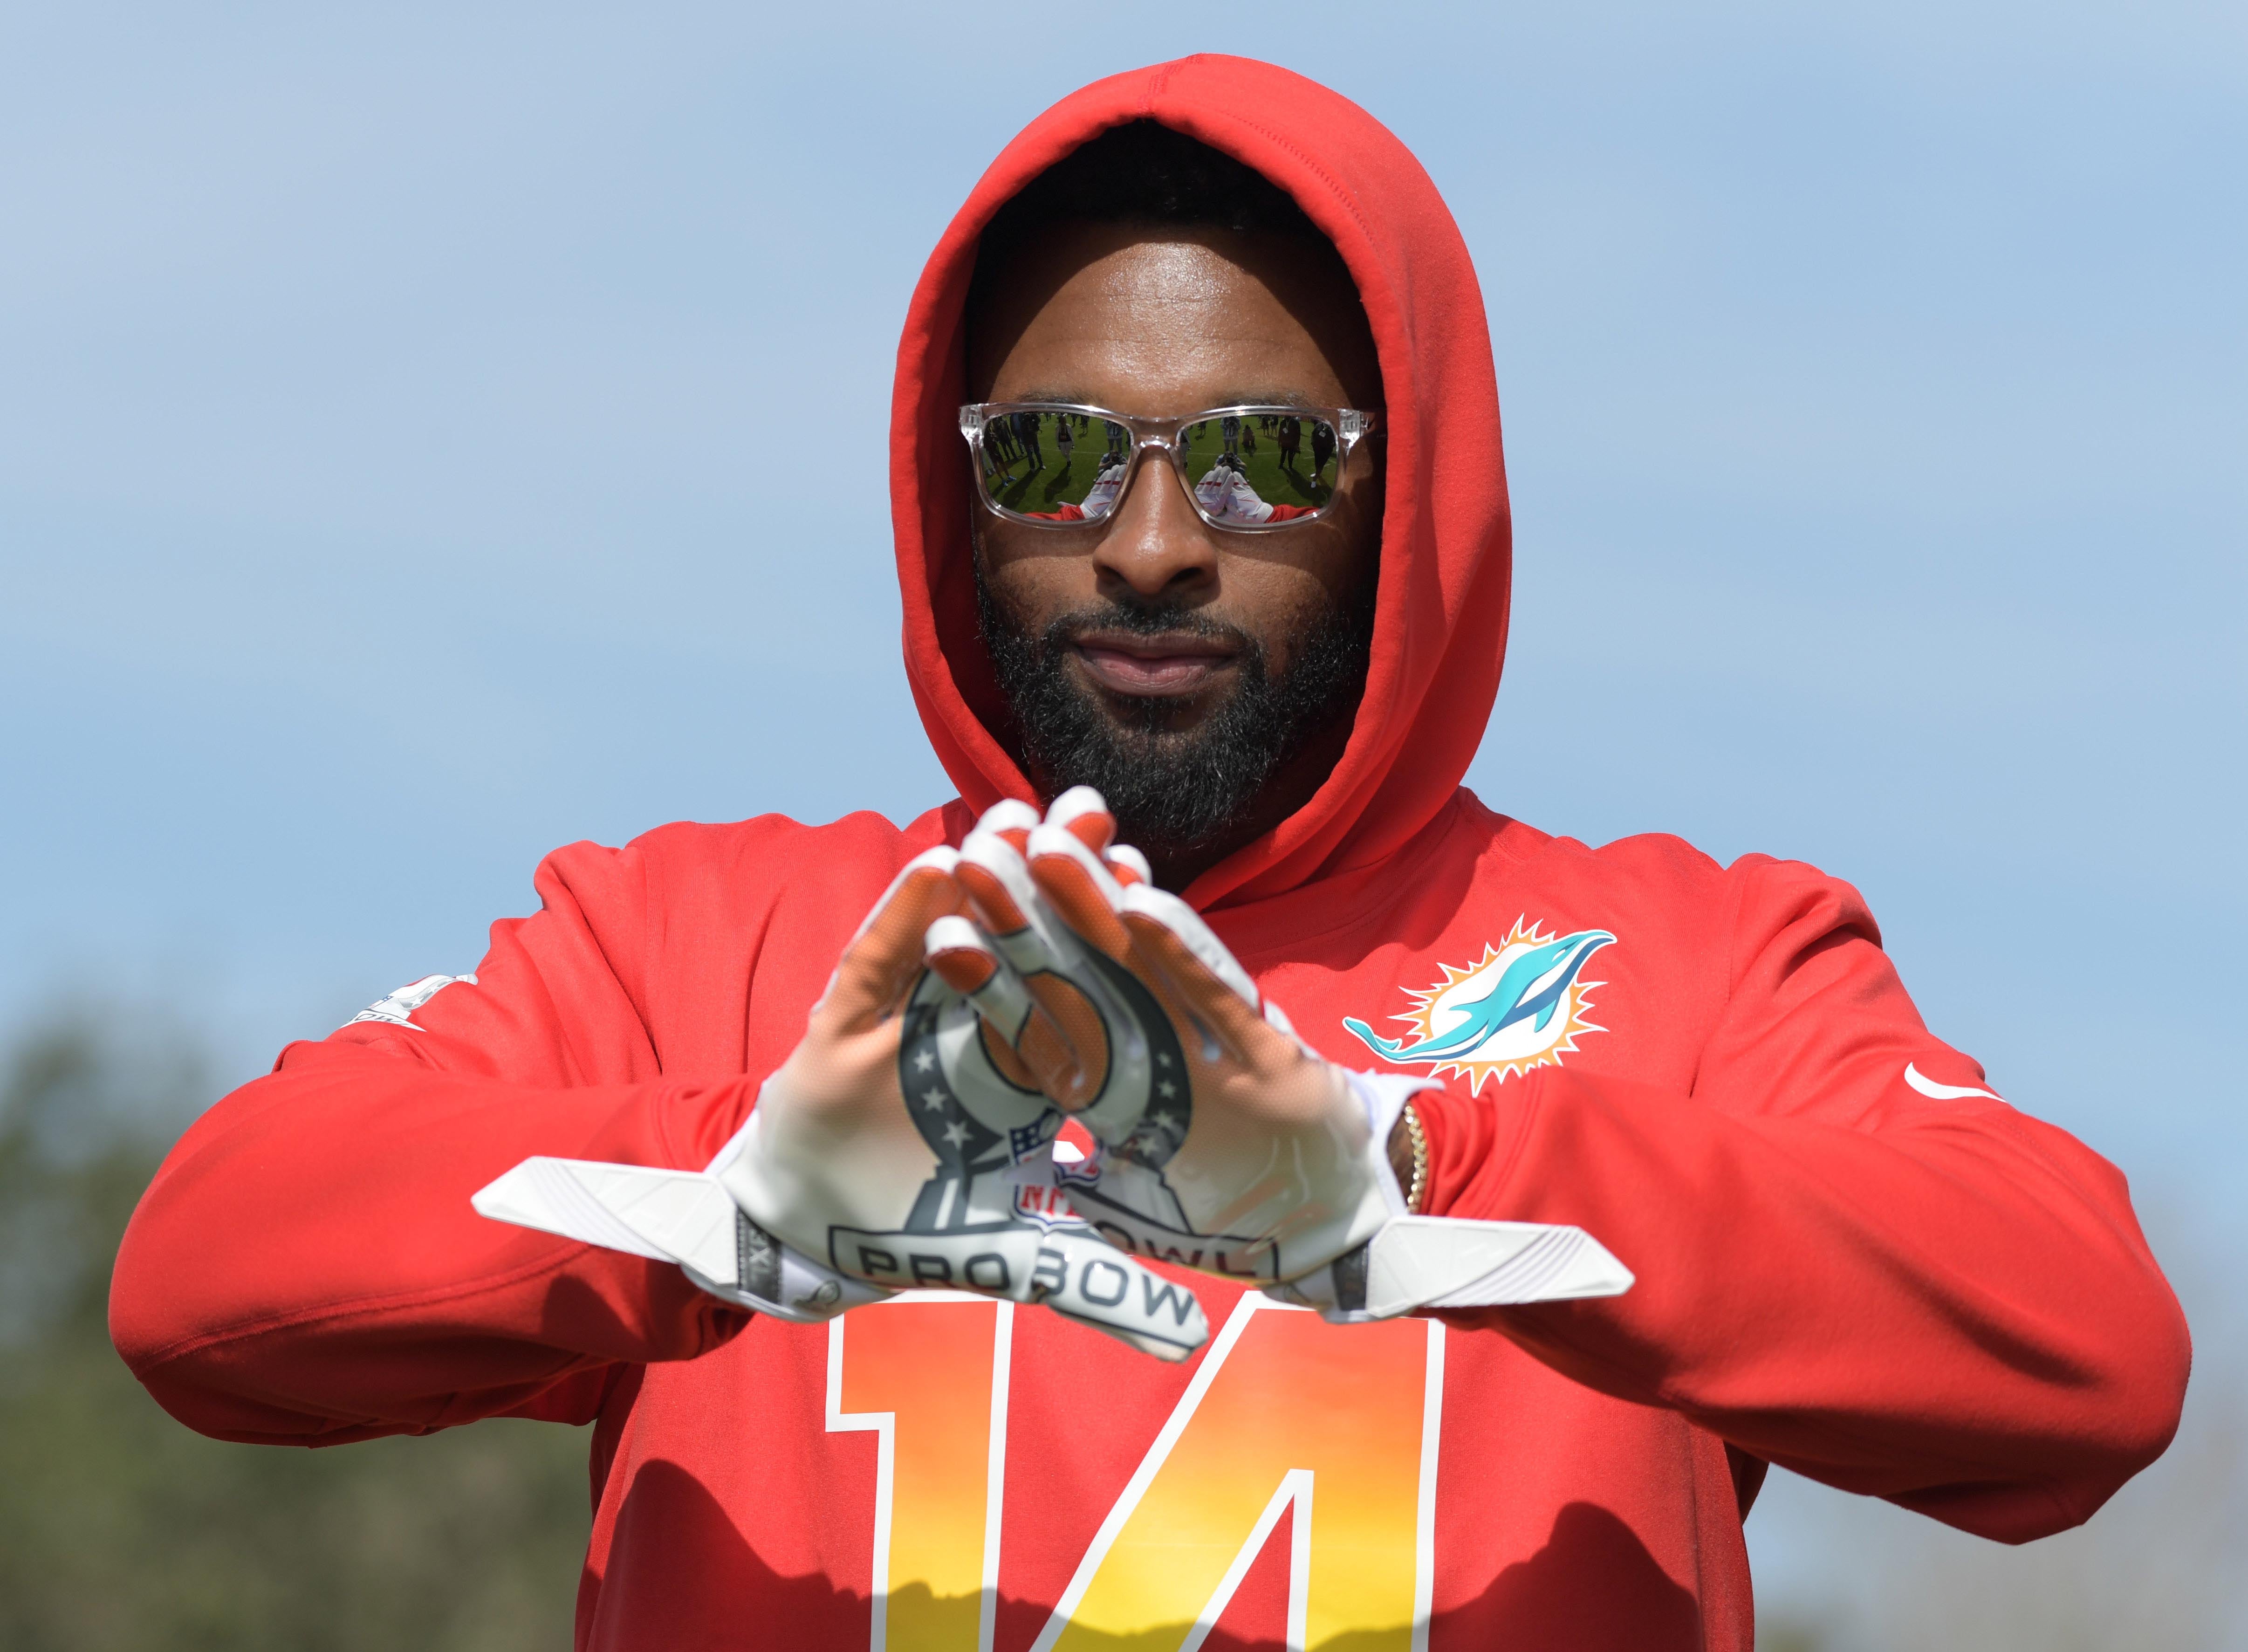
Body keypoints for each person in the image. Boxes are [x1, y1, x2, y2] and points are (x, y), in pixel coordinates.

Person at [110, 58, 2188, 1652]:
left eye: (1273, 459)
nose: (1154, 536)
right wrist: (730, 1189)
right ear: (955, 491)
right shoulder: (705, 938)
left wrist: (1427, 1173)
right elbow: (203, 1272)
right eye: (1051, 454)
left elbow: (2087, 1353)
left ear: (1417, 498)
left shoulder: (1701, 959)